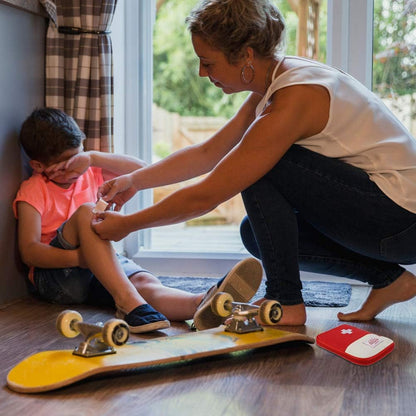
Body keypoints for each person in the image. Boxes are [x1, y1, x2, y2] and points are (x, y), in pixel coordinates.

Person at [92, 0, 416, 326]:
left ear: (246, 55)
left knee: (266, 164)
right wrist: (134, 181)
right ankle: (388, 279)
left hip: (403, 222)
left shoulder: (294, 97)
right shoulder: (274, 83)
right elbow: (209, 152)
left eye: (207, 62)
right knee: (254, 233)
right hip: (392, 219)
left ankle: (285, 300)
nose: (202, 73)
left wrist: (127, 225)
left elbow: (208, 194)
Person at [13, 107, 263, 333]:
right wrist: (80, 258)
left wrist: (92, 158)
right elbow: (30, 252)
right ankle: (129, 305)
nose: (74, 170)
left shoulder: (88, 171)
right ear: (38, 165)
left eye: (77, 158)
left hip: (95, 270)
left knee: (142, 283)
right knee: (88, 212)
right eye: (65, 166)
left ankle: (202, 304)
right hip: (57, 276)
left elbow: (142, 169)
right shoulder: (34, 190)